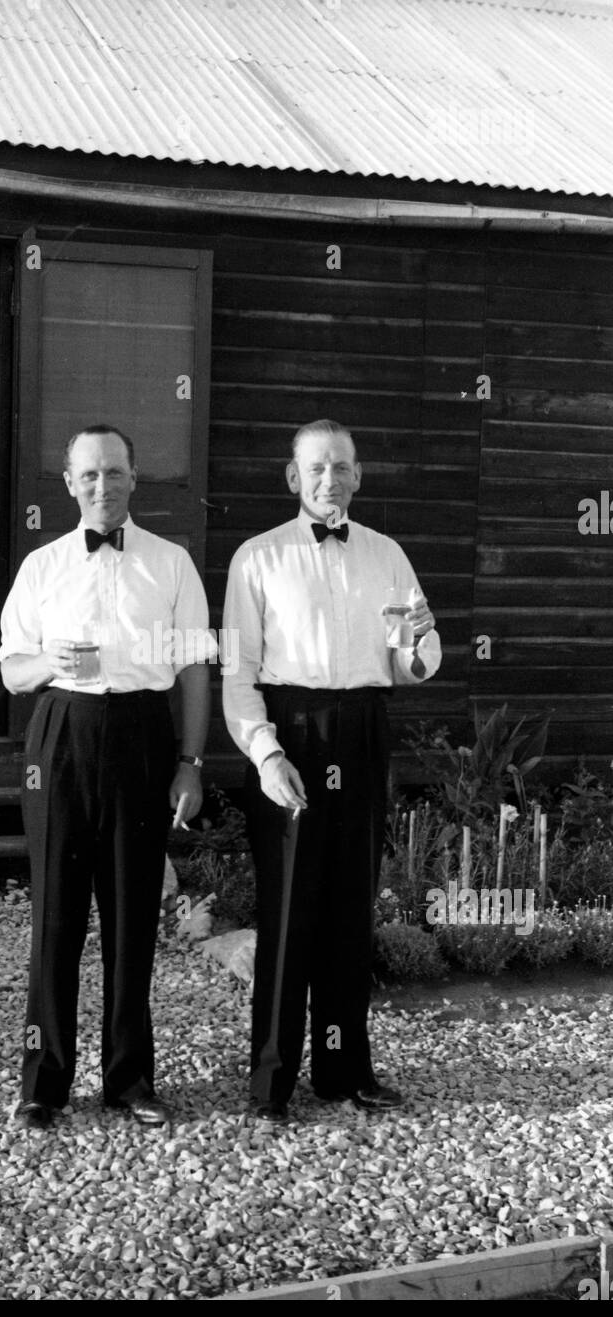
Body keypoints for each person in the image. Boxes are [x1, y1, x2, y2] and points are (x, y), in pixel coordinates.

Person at [221, 419, 441, 1124]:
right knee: (289, 909)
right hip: (292, 733)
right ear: (293, 478)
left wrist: (416, 645)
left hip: (362, 730)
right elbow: (237, 675)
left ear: (357, 476)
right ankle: (271, 1081)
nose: (328, 480)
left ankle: (344, 1072)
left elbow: (410, 667)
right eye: (315, 468)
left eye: (340, 467)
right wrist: (266, 753)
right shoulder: (256, 558)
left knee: (350, 905)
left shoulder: (387, 555)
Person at [0, 424, 215, 1130]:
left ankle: (129, 1080)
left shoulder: (171, 564)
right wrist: (51, 662)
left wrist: (189, 762)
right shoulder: (41, 567)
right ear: (68, 482)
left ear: (133, 478)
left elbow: (190, 670)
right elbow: (10, 669)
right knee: (54, 919)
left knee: (131, 918)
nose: (102, 486)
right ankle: (43, 1084)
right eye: (89, 475)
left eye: (114, 473)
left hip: (142, 738)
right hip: (61, 734)